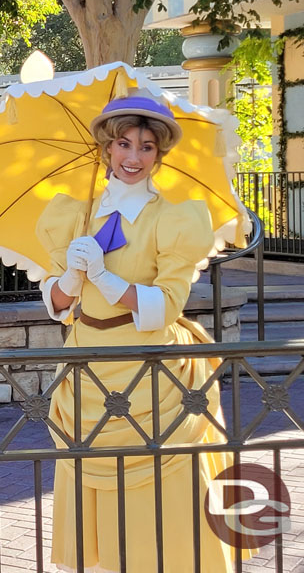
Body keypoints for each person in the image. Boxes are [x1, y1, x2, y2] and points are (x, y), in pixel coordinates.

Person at [35, 95, 248, 572]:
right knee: (94, 480)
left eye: (147, 147)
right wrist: (70, 279)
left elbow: (165, 306)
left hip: (150, 368)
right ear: (107, 149)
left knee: (163, 484)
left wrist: (107, 281)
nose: (133, 157)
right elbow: (57, 307)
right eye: (124, 144)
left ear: (159, 155)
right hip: (87, 365)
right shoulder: (73, 215)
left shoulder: (172, 218)